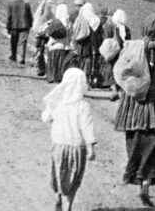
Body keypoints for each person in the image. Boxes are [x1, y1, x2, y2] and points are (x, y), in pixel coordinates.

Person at [113, 13, 155, 206]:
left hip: (133, 104)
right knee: (153, 144)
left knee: (133, 140)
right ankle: (145, 182)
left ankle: (135, 175)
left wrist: (120, 90)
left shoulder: (131, 48)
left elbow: (121, 73)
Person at [41, 67, 96, 211]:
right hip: (77, 147)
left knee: (59, 172)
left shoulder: (58, 102)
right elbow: (87, 127)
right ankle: (68, 206)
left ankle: (58, 197)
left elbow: (45, 118)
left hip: (59, 145)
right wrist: (91, 148)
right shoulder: (83, 106)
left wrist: (50, 106)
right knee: (73, 176)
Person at [100, 9, 131, 92]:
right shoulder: (126, 28)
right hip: (123, 50)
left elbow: (107, 38)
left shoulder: (113, 27)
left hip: (114, 50)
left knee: (112, 66)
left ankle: (112, 84)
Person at [71, 2, 101, 87]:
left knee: (82, 61)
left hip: (83, 44)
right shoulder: (97, 20)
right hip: (93, 45)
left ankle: (81, 80)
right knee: (91, 62)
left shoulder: (82, 18)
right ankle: (88, 81)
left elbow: (76, 30)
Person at [46, 4, 72, 83]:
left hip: (53, 46)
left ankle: (51, 77)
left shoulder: (55, 22)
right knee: (60, 64)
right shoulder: (68, 24)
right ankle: (59, 78)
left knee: (52, 63)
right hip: (63, 47)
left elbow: (49, 34)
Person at [32, 0, 56, 76]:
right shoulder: (53, 5)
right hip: (50, 29)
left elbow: (36, 16)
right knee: (49, 49)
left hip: (40, 29)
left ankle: (40, 68)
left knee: (40, 49)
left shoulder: (42, 4)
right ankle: (48, 69)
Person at [6, 0, 33, 64]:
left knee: (13, 41)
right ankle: (22, 58)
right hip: (25, 26)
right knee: (23, 42)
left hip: (14, 26)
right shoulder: (26, 4)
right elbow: (30, 16)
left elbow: (9, 17)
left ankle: (13, 56)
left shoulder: (11, 4)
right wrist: (30, 25)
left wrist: (8, 27)